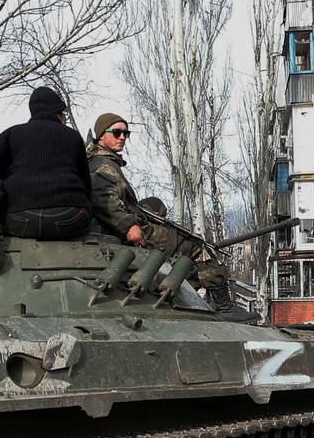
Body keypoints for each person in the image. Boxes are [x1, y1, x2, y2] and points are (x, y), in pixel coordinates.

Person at [85, 112, 236, 313]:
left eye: (126, 133)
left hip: (130, 225)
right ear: (101, 135)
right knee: (197, 247)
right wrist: (128, 226)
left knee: (157, 206)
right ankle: (226, 308)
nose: (122, 137)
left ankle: (180, 284)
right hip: (130, 231)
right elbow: (103, 199)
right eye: (116, 132)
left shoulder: (102, 162)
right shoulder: (103, 166)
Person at [0, 87, 92, 239]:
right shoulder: (73, 136)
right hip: (70, 217)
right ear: (58, 114)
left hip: (20, 218)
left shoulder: (13, 133)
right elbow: (86, 187)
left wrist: (0, 184)